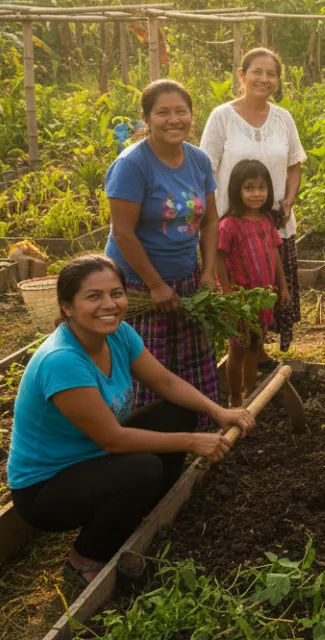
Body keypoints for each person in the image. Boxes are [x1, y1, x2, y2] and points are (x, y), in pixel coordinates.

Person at [8, 255, 255, 586]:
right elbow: (113, 440)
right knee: (143, 468)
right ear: (67, 307)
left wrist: (217, 411)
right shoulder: (62, 361)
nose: (109, 304)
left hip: (92, 459)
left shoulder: (119, 334)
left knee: (177, 413)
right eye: (93, 296)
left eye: (116, 293)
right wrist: (192, 441)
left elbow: (165, 382)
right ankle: (85, 557)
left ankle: (146, 514)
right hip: (46, 489)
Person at [106, 80, 221, 417]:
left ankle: (198, 434)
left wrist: (208, 271)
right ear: (146, 119)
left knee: (192, 360)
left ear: (191, 116)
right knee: (147, 367)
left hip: (186, 278)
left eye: (181, 111)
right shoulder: (133, 165)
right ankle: (144, 441)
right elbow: (123, 233)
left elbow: (211, 220)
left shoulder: (198, 160)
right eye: (163, 112)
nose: (174, 119)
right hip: (139, 283)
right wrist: (155, 284)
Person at [200, 48, 306, 351]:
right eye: (257, 72)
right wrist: (211, 220)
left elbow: (294, 165)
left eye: (271, 74)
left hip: (272, 222)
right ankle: (238, 358)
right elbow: (206, 168)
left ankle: (258, 356)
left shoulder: (283, 118)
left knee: (268, 288)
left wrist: (288, 200)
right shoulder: (222, 117)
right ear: (242, 75)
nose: (264, 79)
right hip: (230, 225)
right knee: (237, 294)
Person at [215, 159, 290, 407]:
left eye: (262, 187)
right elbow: (219, 259)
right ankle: (235, 398)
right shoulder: (229, 226)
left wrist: (283, 286)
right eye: (249, 188)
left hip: (263, 297)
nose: (257, 194)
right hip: (240, 302)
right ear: (237, 189)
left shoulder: (267, 220)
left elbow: (275, 253)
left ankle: (251, 392)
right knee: (237, 349)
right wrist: (227, 295)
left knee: (255, 345)